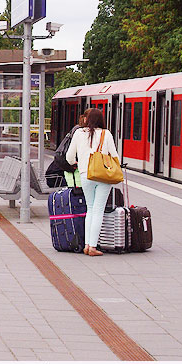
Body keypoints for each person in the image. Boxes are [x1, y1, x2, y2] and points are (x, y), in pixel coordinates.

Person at [65, 107, 119, 257]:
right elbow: (114, 155)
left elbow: (69, 157)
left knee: (90, 208)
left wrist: (77, 162)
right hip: (102, 176)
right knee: (98, 210)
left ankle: (87, 245)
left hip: (85, 175)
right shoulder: (106, 134)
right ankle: (93, 247)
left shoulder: (78, 133)